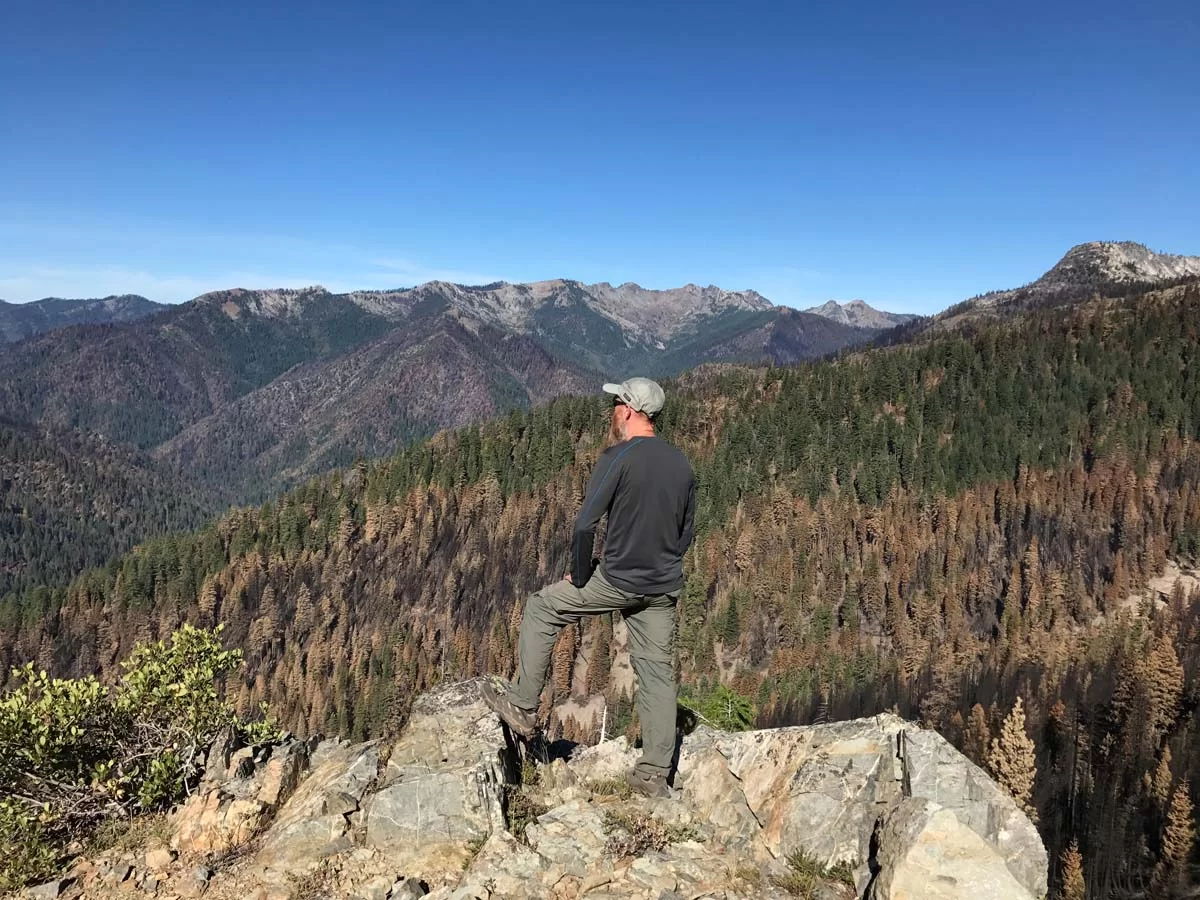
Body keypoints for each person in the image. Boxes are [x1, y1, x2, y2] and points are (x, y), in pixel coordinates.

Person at [480, 376, 697, 798]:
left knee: (542, 607)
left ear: (629, 411)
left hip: (617, 579)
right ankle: (653, 774)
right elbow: (685, 533)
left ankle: (523, 707)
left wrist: (582, 575)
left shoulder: (620, 456)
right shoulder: (682, 464)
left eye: (616, 404)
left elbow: (585, 525)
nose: (612, 411)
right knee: (656, 674)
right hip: (662, 585)